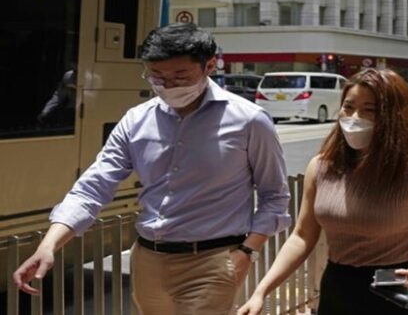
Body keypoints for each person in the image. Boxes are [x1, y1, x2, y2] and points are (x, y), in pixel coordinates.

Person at [13, 23, 291, 314]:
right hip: (148, 260)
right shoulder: (136, 120)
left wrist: (247, 251)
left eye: (180, 76)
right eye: (156, 76)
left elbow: (274, 196)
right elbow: (93, 188)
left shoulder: (249, 121)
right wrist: (49, 244)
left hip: (212, 260)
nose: (167, 86)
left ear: (209, 66)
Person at [238, 69, 408, 315]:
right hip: (338, 289)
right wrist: (261, 291)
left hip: (398, 288)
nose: (355, 117)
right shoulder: (321, 167)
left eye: (369, 110)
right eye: (348, 107)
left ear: (395, 116)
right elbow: (302, 236)